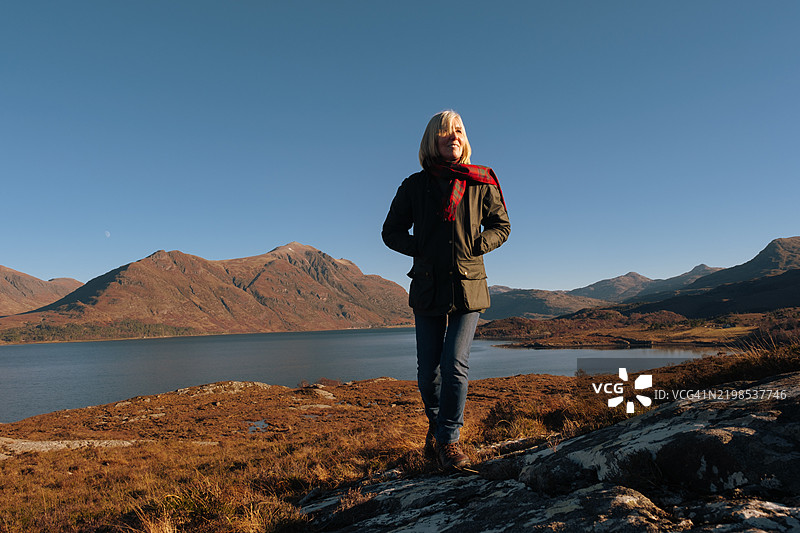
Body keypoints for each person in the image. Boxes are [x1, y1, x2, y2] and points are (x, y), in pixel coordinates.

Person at [382, 110, 511, 471]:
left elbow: (502, 226)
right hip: (428, 287)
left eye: (459, 131)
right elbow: (390, 232)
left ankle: (449, 442)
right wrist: (421, 249)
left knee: (454, 364)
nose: (454, 136)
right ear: (432, 140)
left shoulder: (480, 182)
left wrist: (479, 244)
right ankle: (438, 428)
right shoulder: (414, 186)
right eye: (446, 131)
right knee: (429, 373)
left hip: (468, 287)